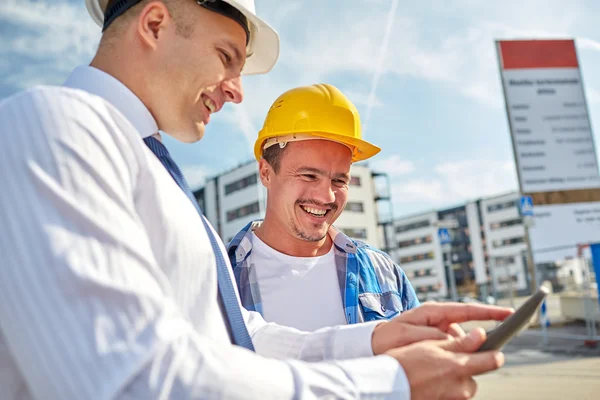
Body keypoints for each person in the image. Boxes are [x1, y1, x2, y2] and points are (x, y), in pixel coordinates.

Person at [0, 0, 513, 399]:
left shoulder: (147, 170)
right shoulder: (54, 126)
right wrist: (390, 385)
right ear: (154, 24)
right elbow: (127, 379)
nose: (238, 91)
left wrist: (378, 341)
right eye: (226, 57)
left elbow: (238, 336)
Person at [227, 84, 419, 332]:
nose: (327, 196)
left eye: (339, 180)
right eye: (308, 176)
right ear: (266, 172)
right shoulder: (220, 278)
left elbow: (420, 363)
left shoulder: (383, 272)